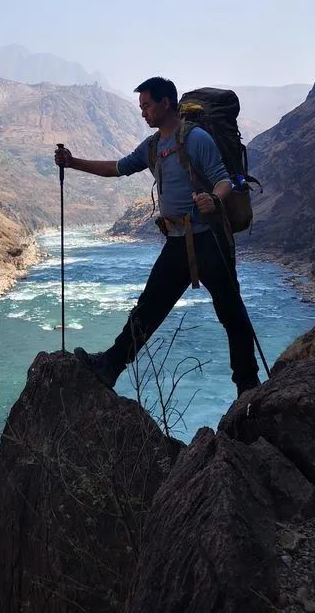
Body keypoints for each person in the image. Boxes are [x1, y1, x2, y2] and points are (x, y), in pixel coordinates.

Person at [53, 76, 260, 398]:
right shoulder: (152, 146)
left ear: (166, 103)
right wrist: (73, 162)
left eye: (147, 105)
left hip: (209, 238)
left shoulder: (196, 138)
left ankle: (248, 385)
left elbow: (224, 179)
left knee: (231, 312)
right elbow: (117, 168)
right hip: (177, 241)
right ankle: (110, 366)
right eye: (141, 107)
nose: (143, 113)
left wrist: (215, 200)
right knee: (148, 309)